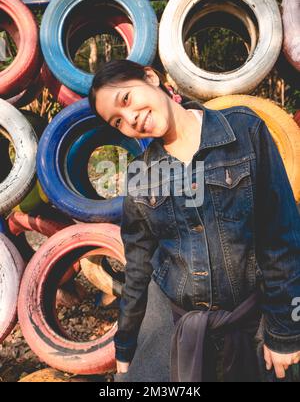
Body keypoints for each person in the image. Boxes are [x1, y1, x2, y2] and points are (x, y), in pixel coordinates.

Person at [88, 59, 300, 382]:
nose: (130, 119)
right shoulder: (140, 180)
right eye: (117, 122)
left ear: (150, 77)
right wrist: (126, 347)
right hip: (181, 330)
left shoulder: (244, 131)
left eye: (126, 100)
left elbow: (282, 235)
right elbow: (137, 270)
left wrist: (285, 331)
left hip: (256, 324)